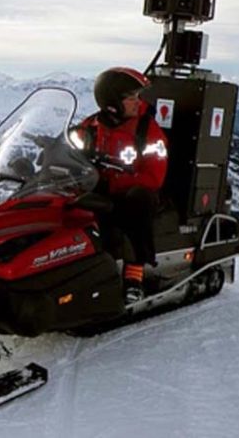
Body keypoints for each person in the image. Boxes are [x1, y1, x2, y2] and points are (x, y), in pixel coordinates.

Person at [72, 67, 168, 304]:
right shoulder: (91, 126)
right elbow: (72, 152)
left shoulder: (147, 130)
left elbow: (154, 176)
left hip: (132, 194)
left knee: (139, 199)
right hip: (99, 188)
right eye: (132, 98)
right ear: (112, 102)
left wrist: (114, 181)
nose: (138, 102)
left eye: (138, 97)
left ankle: (135, 272)